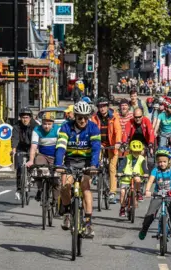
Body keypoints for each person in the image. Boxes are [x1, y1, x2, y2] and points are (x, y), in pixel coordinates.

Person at [55, 101, 101, 238]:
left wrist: (93, 166)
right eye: (79, 117)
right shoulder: (66, 127)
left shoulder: (93, 128)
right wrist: (58, 164)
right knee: (65, 186)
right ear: (74, 116)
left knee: (86, 188)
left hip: (86, 162)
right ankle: (68, 214)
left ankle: (88, 222)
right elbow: (61, 147)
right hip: (70, 161)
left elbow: (96, 148)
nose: (82, 120)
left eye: (85, 117)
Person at [138, 147, 171, 252]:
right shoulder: (156, 170)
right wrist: (147, 190)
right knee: (150, 214)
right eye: (159, 162)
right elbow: (150, 181)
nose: (162, 164)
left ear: (169, 161)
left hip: (170, 196)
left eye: (164, 161)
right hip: (158, 195)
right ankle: (144, 229)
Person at [91, 97, 122, 204]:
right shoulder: (94, 118)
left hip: (112, 145)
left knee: (112, 168)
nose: (102, 108)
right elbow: (91, 130)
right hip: (99, 144)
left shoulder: (114, 117)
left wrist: (118, 143)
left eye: (104, 106)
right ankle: (95, 177)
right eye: (100, 106)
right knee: (94, 163)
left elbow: (118, 131)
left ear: (107, 107)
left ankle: (112, 192)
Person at [25, 112, 60, 202]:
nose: (47, 126)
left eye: (49, 124)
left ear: (53, 124)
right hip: (43, 155)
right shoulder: (37, 130)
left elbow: (62, 146)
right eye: (44, 124)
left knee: (56, 180)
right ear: (41, 123)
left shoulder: (58, 130)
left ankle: (56, 201)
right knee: (38, 168)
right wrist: (31, 160)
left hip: (55, 156)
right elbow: (33, 147)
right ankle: (40, 189)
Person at [11, 107, 38, 200]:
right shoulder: (16, 126)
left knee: (33, 164)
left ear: (30, 118)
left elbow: (37, 139)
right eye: (23, 117)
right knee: (19, 167)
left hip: (32, 147)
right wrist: (13, 150)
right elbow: (14, 138)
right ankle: (19, 189)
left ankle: (31, 175)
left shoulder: (35, 126)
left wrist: (36, 149)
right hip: (21, 147)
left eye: (26, 117)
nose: (24, 119)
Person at [117, 140, 149, 216]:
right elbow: (121, 166)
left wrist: (146, 173)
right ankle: (122, 207)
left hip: (136, 176)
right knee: (122, 192)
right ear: (131, 151)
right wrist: (119, 172)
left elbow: (145, 168)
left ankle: (138, 192)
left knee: (137, 179)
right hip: (126, 177)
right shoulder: (127, 158)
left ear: (141, 151)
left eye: (138, 152)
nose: (136, 153)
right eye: (135, 152)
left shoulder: (142, 159)